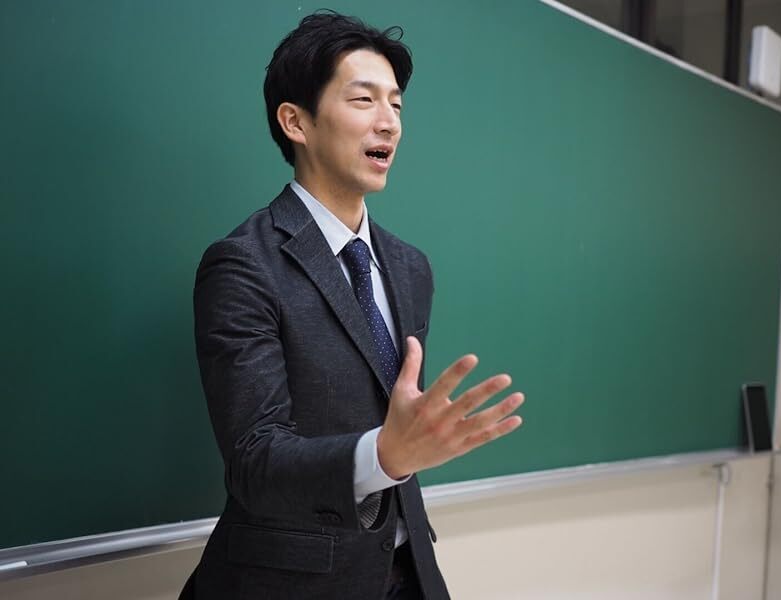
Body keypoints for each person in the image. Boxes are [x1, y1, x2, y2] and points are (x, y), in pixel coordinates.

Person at [180, 11, 524, 600]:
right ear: (296, 121)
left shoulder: (410, 266)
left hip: (407, 571)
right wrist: (384, 454)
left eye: (397, 105)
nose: (389, 122)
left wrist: (409, 444)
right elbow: (254, 460)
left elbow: (395, 411)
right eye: (364, 99)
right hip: (290, 584)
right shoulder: (243, 264)